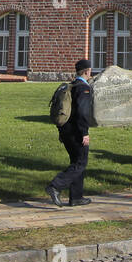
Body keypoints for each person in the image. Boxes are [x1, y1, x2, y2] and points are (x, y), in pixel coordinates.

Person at [47, 60, 95, 207]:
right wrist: (84, 133)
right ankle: (55, 186)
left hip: (66, 130)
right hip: (76, 132)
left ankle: (76, 197)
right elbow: (82, 113)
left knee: (76, 162)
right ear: (87, 71)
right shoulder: (83, 88)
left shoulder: (72, 86)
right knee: (81, 162)